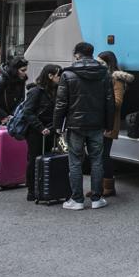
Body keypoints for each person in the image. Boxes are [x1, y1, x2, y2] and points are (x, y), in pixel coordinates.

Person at [53, 42, 115, 210]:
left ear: (77, 55)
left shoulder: (68, 74)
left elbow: (61, 103)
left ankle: (77, 200)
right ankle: (97, 198)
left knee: (75, 162)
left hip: (75, 125)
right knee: (97, 161)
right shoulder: (104, 73)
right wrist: (109, 124)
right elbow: (110, 102)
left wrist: (57, 125)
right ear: (91, 54)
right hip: (97, 125)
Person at [19, 64, 60, 202]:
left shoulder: (55, 90)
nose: (59, 78)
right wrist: (40, 127)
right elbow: (28, 112)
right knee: (34, 159)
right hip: (35, 132)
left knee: (47, 158)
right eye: (58, 75)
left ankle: (44, 187)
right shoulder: (36, 91)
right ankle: (32, 190)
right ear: (50, 76)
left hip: (49, 131)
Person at [97, 50, 133, 198]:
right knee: (97, 156)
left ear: (108, 64)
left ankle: (108, 187)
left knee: (104, 155)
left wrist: (98, 100)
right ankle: (98, 187)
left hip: (109, 123)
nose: (97, 65)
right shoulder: (102, 77)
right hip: (100, 122)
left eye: (101, 63)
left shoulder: (116, 79)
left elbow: (117, 102)